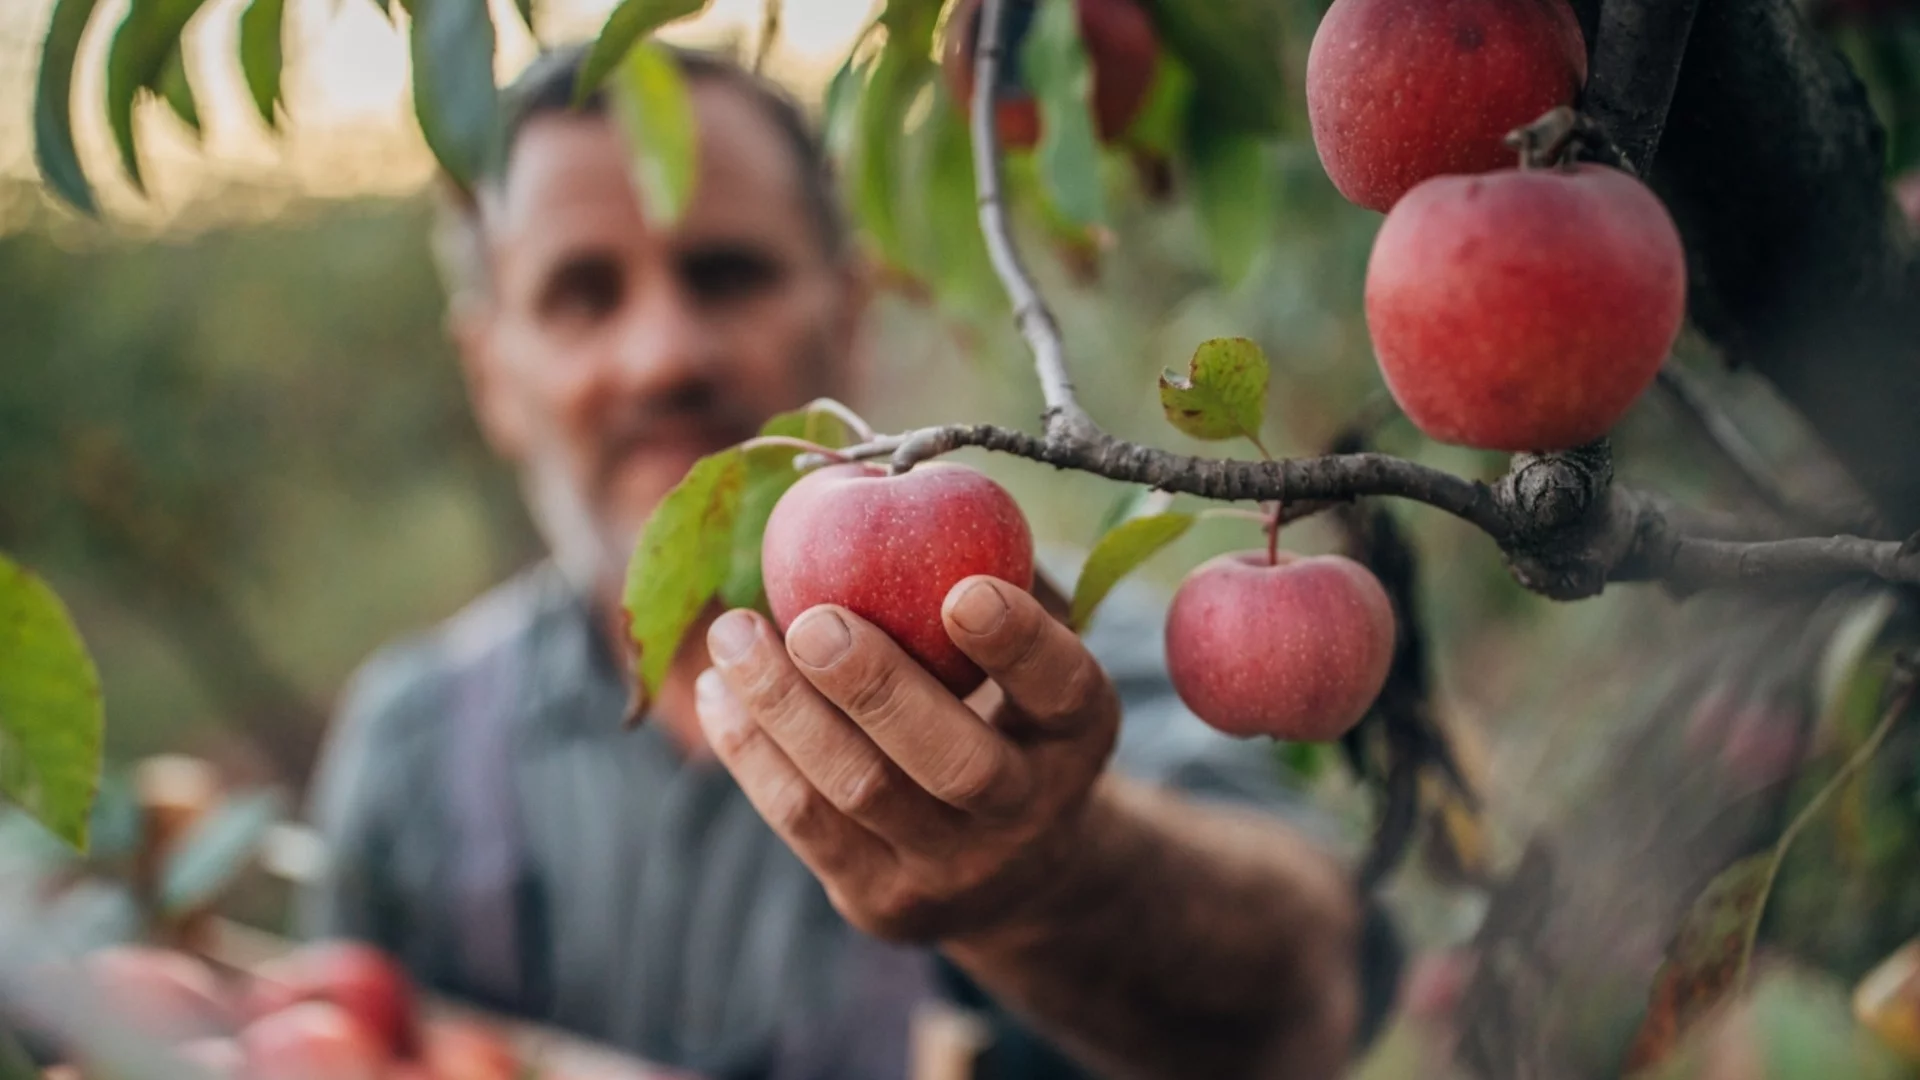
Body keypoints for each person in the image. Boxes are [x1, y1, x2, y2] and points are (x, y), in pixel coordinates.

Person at [300, 42, 1401, 1080]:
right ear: (492, 373)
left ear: (852, 314)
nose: (663, 354)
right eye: (582, 293)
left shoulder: (1060, 650)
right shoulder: (412, 753)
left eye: (726, 274)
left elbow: (1316, 994)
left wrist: (1058, 877)